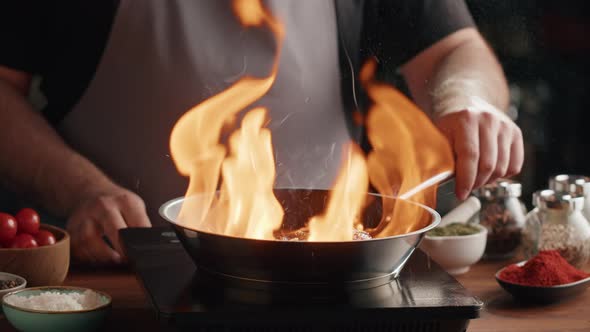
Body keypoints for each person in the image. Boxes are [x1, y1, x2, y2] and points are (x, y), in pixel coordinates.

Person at [0, 0, 523, 265]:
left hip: (333, 271)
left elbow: (456, 50)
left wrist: (466, 100)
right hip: (119, 268)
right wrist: (81, 190)